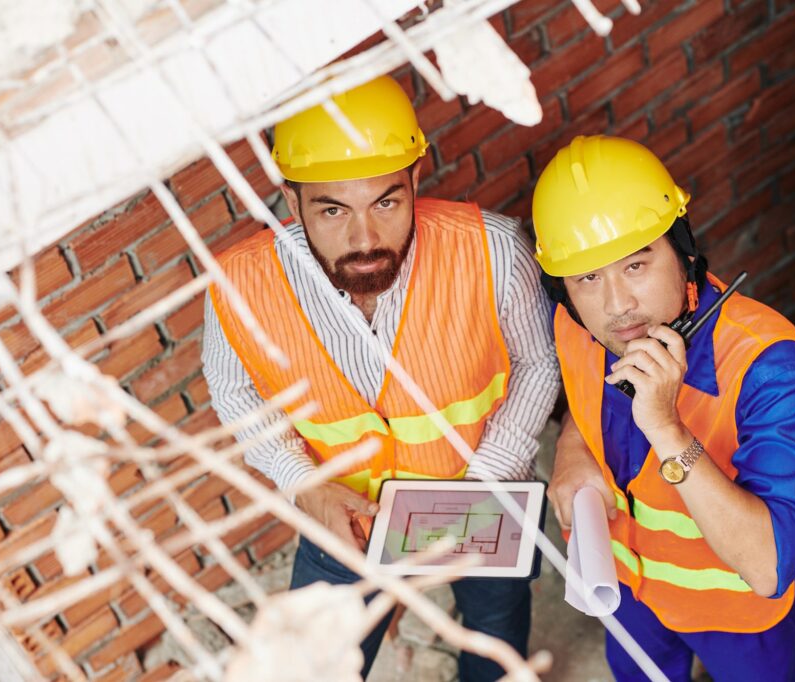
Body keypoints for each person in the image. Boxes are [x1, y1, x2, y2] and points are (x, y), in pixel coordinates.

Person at [202, 76, 560, 680]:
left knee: (495, 636)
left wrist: (485, 482)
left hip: (485, 494)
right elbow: (236, 395)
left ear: (417, 177)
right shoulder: (239, 285)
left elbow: (537, 363)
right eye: (333, 209)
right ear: (292, 202)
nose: (364, 240)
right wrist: (303, 483)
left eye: (386, 203)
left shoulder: (494, 249)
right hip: (343, 517)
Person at [535, 134, 795, 681]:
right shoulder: (577, 323)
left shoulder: (770, 366)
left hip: (738, 614)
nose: (617, 306)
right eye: (589, 277)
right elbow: (583, 392)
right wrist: (571, 444)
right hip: (628, 586)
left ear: (683, 250)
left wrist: (666, 427)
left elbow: (767, 567)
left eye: (635, 265)